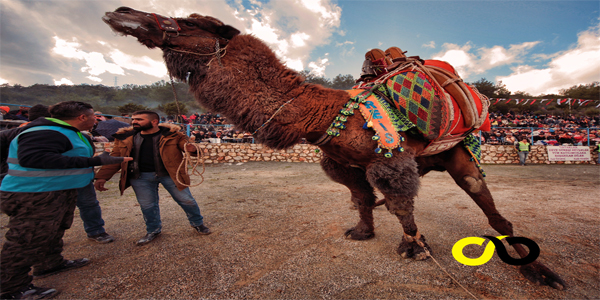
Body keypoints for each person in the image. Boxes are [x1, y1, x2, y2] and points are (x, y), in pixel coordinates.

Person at [0, 101, 132, 299]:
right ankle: (11, 288)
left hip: (58, 190)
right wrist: (94, 161)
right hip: (35, 194)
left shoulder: (68, 132)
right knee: (26, 238)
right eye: (93, 116)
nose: (96, 119)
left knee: (52, 230)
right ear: (82, 117)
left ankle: (49, 263)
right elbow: (33, 159)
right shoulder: (46, 131)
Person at [94, 110, 211, 246]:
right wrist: (102, 177)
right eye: (133, 119)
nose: (134, 122)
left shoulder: (173, 135)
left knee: (186, 200)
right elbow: (115, 158)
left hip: (170, 174)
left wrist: (193, 149)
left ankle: (198, 223)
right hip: (139, 176)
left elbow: (192, 150)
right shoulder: (125, 137)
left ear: (154, 122)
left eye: (139, 119)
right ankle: (153, 230)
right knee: (148, 205)